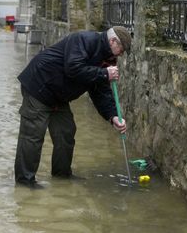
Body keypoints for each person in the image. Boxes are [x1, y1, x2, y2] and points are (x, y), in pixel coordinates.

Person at [14, 26, 132, 188]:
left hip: (58, 96)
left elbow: (101, 92)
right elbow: (73, 68)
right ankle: (24, 183)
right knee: (33, 135)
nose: (121, 54)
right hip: (39, 86)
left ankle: (61, 176)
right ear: (112, 41)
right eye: (122, 49)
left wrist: (113, 116)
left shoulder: (108, 59)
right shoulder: (83, 40)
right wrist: (104, 74)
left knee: (66, 132)